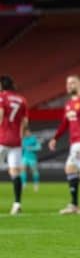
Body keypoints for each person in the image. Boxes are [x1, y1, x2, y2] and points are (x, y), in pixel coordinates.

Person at [48, 75, 80, 215]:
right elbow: (65, 123)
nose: (69, 86)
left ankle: (74, 205)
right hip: (75, 141)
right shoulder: (69, 104)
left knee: (70, 168)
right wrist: (55, 138)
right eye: (67, 83)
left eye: (72, 83)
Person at [0, 75, 28, 215]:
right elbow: (25, 122)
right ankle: (17, 203)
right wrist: (20, 135)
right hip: (16, 140)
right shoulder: (22, 99)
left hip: (2, 138)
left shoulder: (2, 97)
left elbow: (0, 114)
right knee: (15, 172)